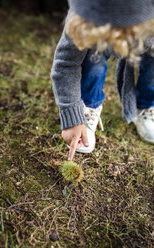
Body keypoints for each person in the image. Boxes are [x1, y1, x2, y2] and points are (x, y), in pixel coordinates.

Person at [51, 0, 154, 160]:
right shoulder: (83, 13)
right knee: (94, 58)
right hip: (99, 22)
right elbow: (66, 63)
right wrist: (71, 116)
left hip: (147, 32)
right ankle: (88, 107)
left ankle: (146, 104)